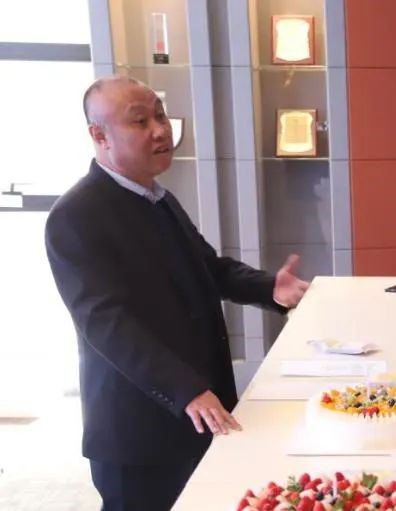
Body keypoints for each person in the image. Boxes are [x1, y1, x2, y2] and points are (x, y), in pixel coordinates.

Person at [45, 76, 309, 511]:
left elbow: (209, 269)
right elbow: (107, 324)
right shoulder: (76, 215)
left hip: (199, 411)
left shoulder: (158, 199)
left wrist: (269, 287)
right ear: (99, 135)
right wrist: (184, 389)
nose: (160, 130)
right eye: (140, 121)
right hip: (139, 431)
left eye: (161, 115)